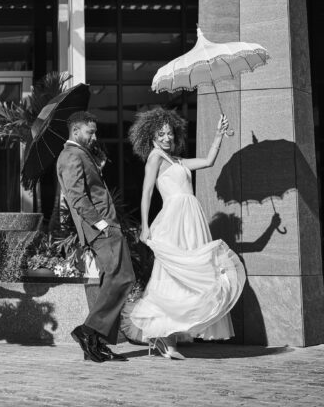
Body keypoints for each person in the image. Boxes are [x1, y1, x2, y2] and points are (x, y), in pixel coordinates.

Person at [127, 108, 246, 359]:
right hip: (174, 218)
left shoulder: (178, 161)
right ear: (152, 138)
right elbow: (147, 193)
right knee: (172, 273)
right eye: (162, 134)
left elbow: (208, 161)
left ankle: (167, 338)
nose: (167, 138)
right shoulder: (155, 158)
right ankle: (164, 338)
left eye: (170, 133)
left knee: (192, 273)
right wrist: (146, 226)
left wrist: (218, 134)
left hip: (192, 218)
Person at [56, 111, 134, 363]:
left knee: (111, 280)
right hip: (102, 229)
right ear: (76, 131)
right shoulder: (70, 155)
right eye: (90, 132)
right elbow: (77, 197)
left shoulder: (80, 154)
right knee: (123, 277)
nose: (94, 136)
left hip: (105, 228)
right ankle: (88, 331)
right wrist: (101, 225)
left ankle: (96, 344)